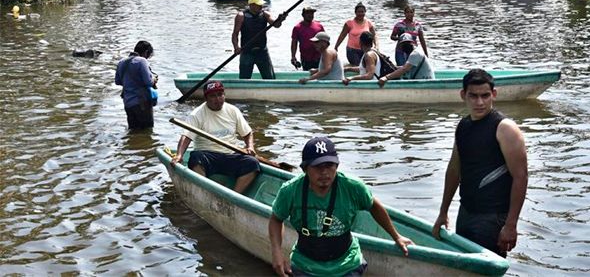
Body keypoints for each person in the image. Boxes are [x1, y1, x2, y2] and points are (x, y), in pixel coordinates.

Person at [269, 136, 413, 276]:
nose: (324, 172)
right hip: (305, 265)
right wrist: (277, 253)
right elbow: (276, 219)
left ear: (337, 166)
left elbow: (374, 206)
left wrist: (396, 236)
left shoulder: (352, 186)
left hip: (347, 264)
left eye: (329, 165)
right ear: (305, 169)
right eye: (317, 167)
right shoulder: (290, 191)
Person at [431, 69, 528, 258]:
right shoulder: (463, 126)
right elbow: (454, 170)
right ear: (463, 95)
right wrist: (443, 212)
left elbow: (521, 177)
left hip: (493, 217)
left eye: (485, 95)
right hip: (466, 212)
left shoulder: (505, 128)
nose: (480, 102)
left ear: (494, 94)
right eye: (473, 96)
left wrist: (511, 225)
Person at [170, 81, 260, 194]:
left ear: (224, 95)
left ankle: (233, 196)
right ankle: (205, 192)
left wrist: (250, 147)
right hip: (207, 156)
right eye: (213, 96)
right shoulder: (197, 114)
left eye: (220, 94)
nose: (217, 99)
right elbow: (186, 136)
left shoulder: (233, 111)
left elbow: (247, 133)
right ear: (206, 98)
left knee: (252, 163)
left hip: (229, 154)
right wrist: (179, 155)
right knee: (195, 158)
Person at [231, 0, 282, 79]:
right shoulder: (241, 16)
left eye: (261, 4)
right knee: (244, 79)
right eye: (259, 4)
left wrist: (280, 19)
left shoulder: (265, 14)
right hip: (247, 52)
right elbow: (235, 34)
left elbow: (276, 25)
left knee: (270, 78)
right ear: (252, 5)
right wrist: (236, 47)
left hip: (262, 52)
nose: (261, 6)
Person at [115, 41, 158, 130]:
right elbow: (149, 82)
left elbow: (118, 81)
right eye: (148, 55)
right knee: (147, 131)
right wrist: (154, 79)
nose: (148, 58)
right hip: (142, 104)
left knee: (133, 130)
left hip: (128, 103)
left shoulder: (122, 62)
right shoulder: (142, 61)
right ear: (146, 52)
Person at [291, 6, 325, 71]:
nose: (310, 15)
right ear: (303, 15)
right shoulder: (297, 28)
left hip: (318, 56)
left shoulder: (319, 26)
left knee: (320, 74)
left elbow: (324, 40)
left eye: (312, 13)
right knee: (308, 75)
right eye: (308, 13)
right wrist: (293, 56)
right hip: (306, 57)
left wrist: (326, 54)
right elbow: (294, 43)